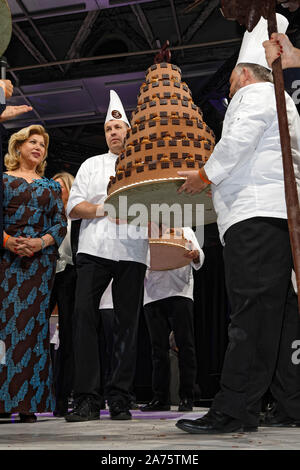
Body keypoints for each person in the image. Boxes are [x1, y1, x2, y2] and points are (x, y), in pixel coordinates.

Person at [176, 15, 300, 434]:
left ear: (243, 72)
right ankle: (289, 403)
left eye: (230, 79)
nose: (228, 86)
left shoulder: (257, 93)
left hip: (256, 216)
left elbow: (238, 140)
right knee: (277, 317)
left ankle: (235, 409)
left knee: (249, 314)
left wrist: (204, 176)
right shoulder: (282, 97)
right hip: (277, 218)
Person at [65, 90, 148, 422]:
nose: (114, 134)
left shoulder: (144, 162)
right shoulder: (91, 164)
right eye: (108, 130)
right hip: (94, 249)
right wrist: (103, 208)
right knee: (83, 317)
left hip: (133, 250)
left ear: (129, 130)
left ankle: (120, 397)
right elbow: (73, 207)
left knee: (128, 325)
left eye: (118, 128)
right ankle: (86, 397)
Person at [0, 124, 67, 423]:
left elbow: (60, 224)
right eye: (32, 142)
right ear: (18, 147)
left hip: (39, 266)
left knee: (33, 331)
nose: (38, 148)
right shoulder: (3, 181)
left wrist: (40, 243)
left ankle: (29, 403)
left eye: (42, 145)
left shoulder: (51, 187)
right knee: (5, 331)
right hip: (6, 262)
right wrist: (8, 242)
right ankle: (3, 401)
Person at [140, 227, 204, 413]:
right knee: (157, 349)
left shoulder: (184, 230)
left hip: (180, 291)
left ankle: (187, 396)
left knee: (185, 346)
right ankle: (160, 398)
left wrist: (195, 255)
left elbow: (199, 257)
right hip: (152, 293)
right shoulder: (145, 231)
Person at [48, 172, 76, 417]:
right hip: (46, 275)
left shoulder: (76, 218)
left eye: (60, 187)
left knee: (67, 337)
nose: (56, 192)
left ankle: (62, 398)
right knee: (34, 334)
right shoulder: (46, 215)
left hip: (68, 275)